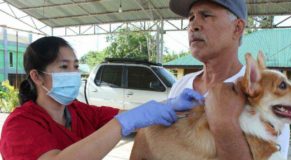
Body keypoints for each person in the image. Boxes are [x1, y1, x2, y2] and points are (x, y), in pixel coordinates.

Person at [0, 36, 204, 159]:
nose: (74, 73)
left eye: (76, 66)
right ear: (36, 76)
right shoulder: (19, 126)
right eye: (64, 67)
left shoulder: (78, 111)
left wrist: (170, 105)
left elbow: (133, 115)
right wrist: (121, 124)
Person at [168, 0, 290, 159]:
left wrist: (226, 127)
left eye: (206, 15)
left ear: (237, 28)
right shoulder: (181, 86)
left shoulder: (264, 90)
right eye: (191, 18)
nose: (194, 25)